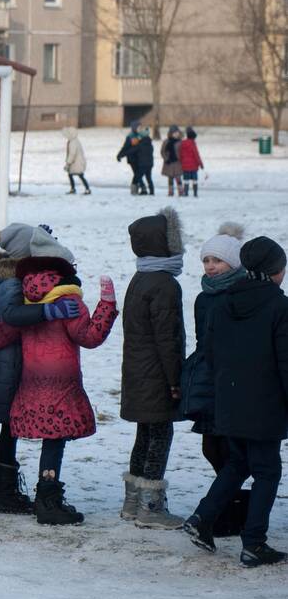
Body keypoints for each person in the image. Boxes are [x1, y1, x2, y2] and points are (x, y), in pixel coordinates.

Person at [0, 251, 119, 526]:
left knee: (51, 442)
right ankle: (48, 501)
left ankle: (45, 498)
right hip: (62, 388)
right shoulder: (68, 303)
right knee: (54, 443)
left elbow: (3, 332)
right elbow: (90, 336)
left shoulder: (27, 306)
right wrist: (107, 305)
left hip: (32, 389)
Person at [184, 237, 288, 568]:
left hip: (228, 399)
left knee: (239, 464)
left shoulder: (224, 301)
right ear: (276, 271)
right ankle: (254, 543)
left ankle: (202, 518)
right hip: (264, 404)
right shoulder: (279, 306)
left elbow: (210, 353)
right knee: (268, 470)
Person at [0, 224, 80, 514]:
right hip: (8, 364)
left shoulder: (14, 277)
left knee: (10, 427)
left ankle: (1, 489)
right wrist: (46, 312)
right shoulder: (10, 281)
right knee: (9, 427)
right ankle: (3, 491)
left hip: (12, 360)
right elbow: (10, 316)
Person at [120, 208, 186, 529]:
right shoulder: (165, 284)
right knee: (160, 434)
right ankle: (151, 507)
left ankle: (132, 502)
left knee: (144, 434)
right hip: (157, 374)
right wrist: (176, 380)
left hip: (137, 371)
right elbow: (168, 338)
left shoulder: (140, 278)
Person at [181, 222, 248, 537]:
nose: (210, 266)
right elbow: (201, 339)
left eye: (216, 261)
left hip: (235, 379)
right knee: (212, 446)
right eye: (206, 260)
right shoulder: (203, 297)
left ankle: (227, 505)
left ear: (233, 263)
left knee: (232, 447)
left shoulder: (242, 293)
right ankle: (229, 501)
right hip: (210, 376)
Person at [62, 126, 90, 195]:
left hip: (76, 163)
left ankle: (86, 189)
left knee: (79, 175)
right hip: (76, 162)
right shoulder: (74, 141)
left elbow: (72, 154)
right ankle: (74, 189)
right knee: (71, 175)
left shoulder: (73, 142)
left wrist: (68, 163)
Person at [179, 126, 204, 197]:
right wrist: (201, 164)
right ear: (193, 137)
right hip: (193, 166)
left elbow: (180, 154)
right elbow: (196, 155)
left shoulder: (182, 143)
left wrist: (181, 162)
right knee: (194, 180)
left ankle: (186, 192)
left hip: (185, 166)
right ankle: (195, 193)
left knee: (186, 180)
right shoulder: (193, 144)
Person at [160, 125, 183, 197]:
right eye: (174, 133)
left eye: (177, 133)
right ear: (171, 133)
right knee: (170, 178)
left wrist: (181, 158)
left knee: (178, 178)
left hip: (177, 163)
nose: (176, 134)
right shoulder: (166, 142)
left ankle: (181, 191)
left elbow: (183, 152)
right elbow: (162, 151)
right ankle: (170, 192)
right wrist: (166, 159)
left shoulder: (180, 142)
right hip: (169, 163)